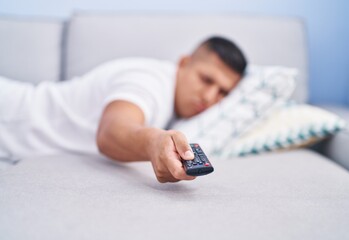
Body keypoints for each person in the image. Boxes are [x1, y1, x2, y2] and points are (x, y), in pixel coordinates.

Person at [0, 36, 247, 183]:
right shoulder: (148, 81)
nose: (209, 97)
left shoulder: (174, 99)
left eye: (223, 92)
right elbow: (111, 132)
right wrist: (153, 142)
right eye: (206, 79)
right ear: (183, 64)